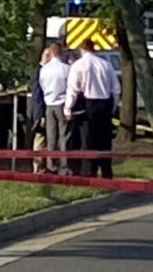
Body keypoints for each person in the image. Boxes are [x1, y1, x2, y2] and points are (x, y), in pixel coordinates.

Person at [65, 44, 118, 178]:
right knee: (105, 141)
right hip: (104, 104)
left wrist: (68, 108)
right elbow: (116, 89)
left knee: (87, 141)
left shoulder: (78, 65)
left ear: (82, 50)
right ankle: (106, 173)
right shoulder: (107, 65)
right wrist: (113, 107)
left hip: (87, 104)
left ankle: (89, 173)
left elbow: (73, 89)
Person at [33, 44, 69, 174]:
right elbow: (69, 86)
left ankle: (50, 164)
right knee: (63, 136)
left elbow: (42, 85)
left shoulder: (44, 70)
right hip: (62, 103)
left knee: (51, 136)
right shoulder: (66, 69)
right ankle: (64, 166)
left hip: (49, 104)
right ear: (60, 53)